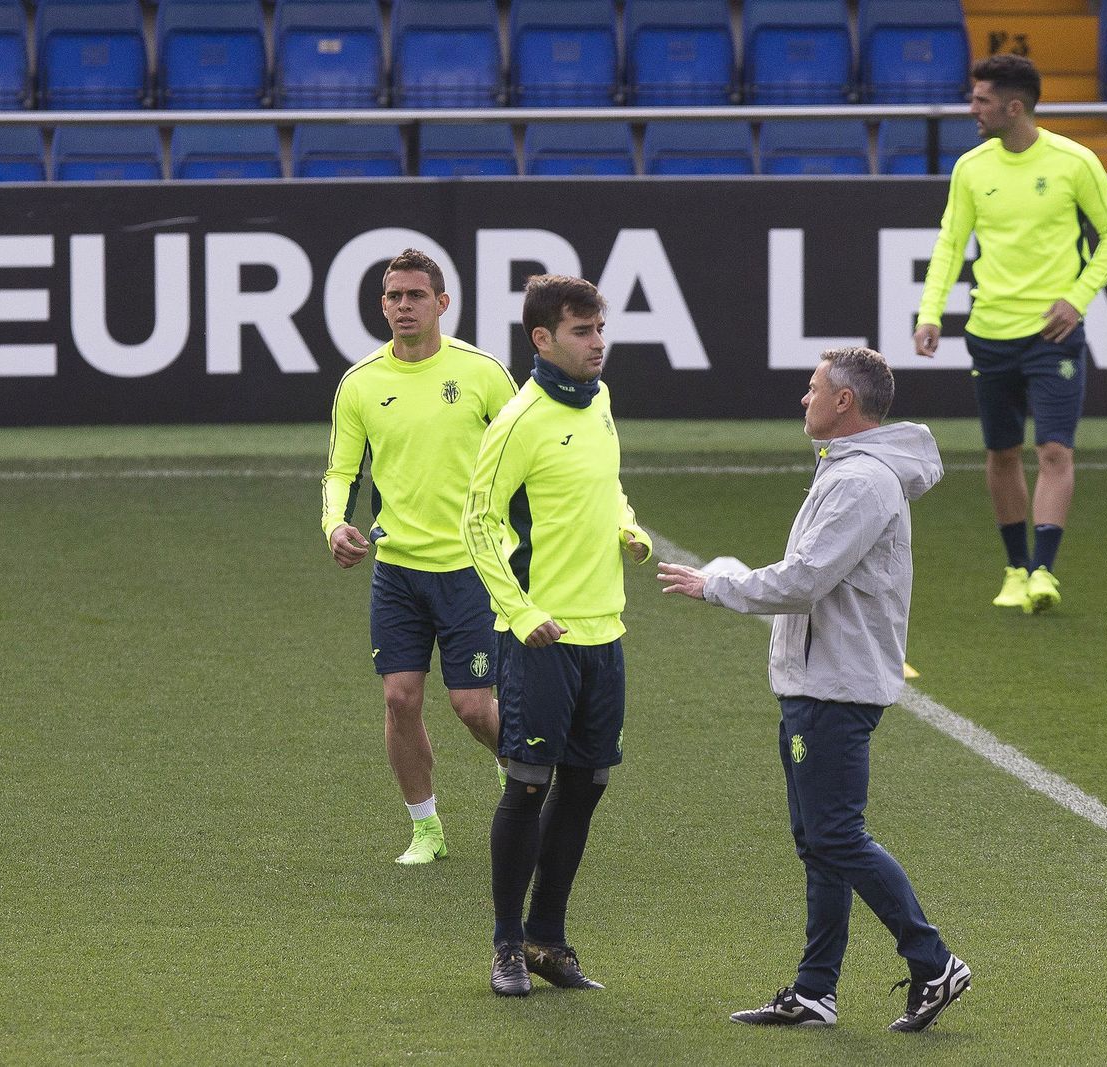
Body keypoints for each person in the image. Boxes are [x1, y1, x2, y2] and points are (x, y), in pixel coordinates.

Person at [658, 347, 970, 1034]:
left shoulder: (861, 483)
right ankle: (815, 991)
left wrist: (718, 585)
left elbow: (804, 580)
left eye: (813, 388)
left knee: (834, 834)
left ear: (844, 403)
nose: (804, 399)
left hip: (835, 684)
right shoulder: (850, 472)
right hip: (819, 678)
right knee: (820, 840)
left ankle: (933, 959)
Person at [462, 274, 652, 998]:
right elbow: (478, 524)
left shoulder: (600, 400)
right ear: (542, 339)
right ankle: (506, 945)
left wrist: (627, 527)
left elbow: (608, 487)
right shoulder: (518, 420)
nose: (597, 342)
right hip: (541, 636)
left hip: (604, 629)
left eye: (600, 328)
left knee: (586, 785)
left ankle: (548, 938)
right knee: (527, 785)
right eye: (582, 330)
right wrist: (518, 610)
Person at [914, 52, 1107, 614]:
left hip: (1052, 336)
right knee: (1002, 453)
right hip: (989, 332)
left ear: (1014, 107)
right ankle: (1014, 567)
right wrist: (930, 312)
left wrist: (1078, 299)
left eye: (982, 99)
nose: (973, 108)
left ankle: (1043, 572)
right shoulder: (971, 168)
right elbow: (948, 243)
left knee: (1055, 449)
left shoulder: (1073, 161)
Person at [321, 248, 517, 866]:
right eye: (393, 297)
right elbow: (341, 472)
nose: (404, 307)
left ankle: (521, 776)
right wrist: (334, 525)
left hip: (470, 568)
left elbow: (526, 455)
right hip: (398, 569)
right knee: (400, 699)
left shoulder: (483, 374)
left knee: (473, 707)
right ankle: (425, 828)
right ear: (382, 306)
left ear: (442, 303)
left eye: (415, 296)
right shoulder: (359, 384)